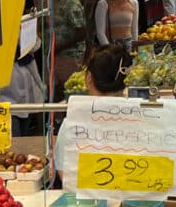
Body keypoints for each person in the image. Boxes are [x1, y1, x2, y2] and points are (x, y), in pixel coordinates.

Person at [55, 45, 130, 182]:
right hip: (131, 200)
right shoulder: (140, 117)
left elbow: (66, 175)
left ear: (88, 78)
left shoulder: (72, 122)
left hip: (86, 200)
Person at [50, 0, 87, 99]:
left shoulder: (72, 4)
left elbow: (81, 32)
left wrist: (60, 47)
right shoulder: (56, 2)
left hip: (70, 56)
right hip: (56, 55)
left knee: (69, 90)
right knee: (57, 89)